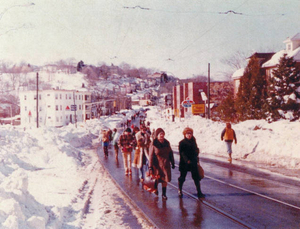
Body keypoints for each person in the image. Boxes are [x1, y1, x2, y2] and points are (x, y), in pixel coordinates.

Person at [148, 128, 175, 200]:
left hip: (166, 164)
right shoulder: (154, 143)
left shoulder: (166, 142)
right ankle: (155, 189)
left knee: (164, 180)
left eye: (163, 134)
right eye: (160, 134)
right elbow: (150, 156)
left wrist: (172, 162)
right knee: (157, 179)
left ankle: (164, 194)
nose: (162, 135)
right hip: (157, 165)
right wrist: (150, 166)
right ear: (157, 135)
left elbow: (170, 153)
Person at [178, 127, 205, 199]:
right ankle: (180, 189)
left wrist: (196, 154)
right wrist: (187, 160)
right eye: (187, 134)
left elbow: (196, 149)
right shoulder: (182, 143)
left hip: (193, 162)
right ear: (184, 134)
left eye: (190, 133)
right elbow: (182, 153)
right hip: (185, 163)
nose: (189, 135)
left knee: (196, 178)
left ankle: (199, 192)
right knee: (182, 177)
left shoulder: (194, 141)